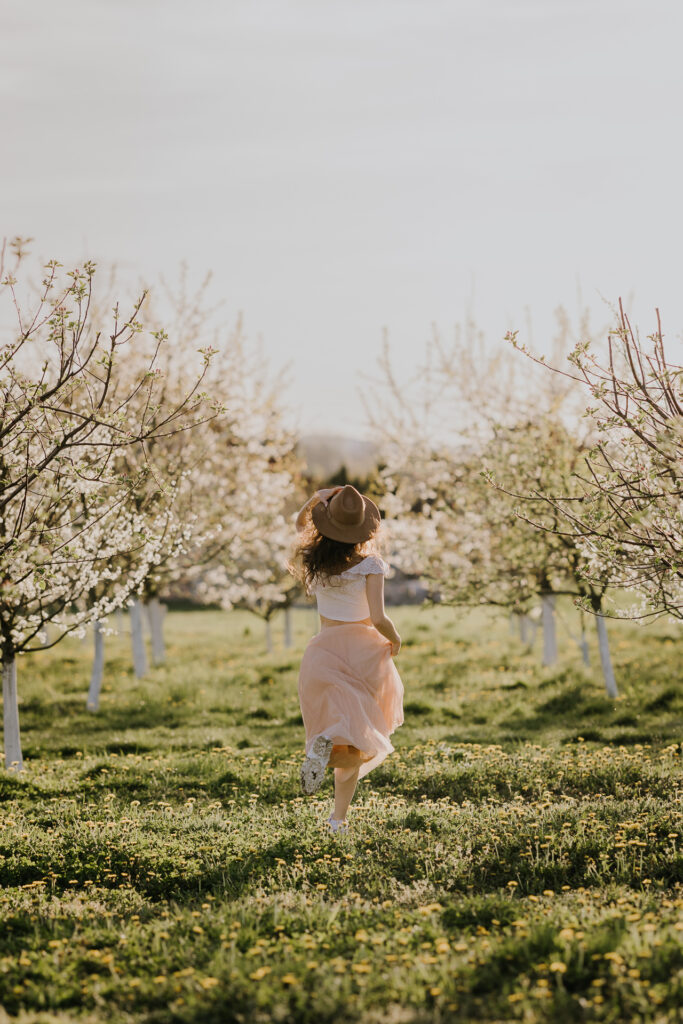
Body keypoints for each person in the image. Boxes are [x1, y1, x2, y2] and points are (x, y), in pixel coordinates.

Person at [290, 484, 404, 834]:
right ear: (363, 529)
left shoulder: (314, 562)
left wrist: (315, 499)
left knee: (335, 726)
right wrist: (396, 641)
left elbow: (298, 527)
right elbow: (379, 618)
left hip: (323, 652)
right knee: (356, 740)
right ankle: (337, 820)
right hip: (363, 654)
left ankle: (319, 750)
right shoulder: (371, 564)